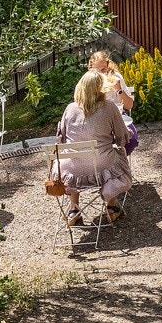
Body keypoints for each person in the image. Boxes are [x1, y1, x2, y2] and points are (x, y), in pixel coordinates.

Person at [50, 71, 133, 226]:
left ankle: (74, 209)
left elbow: (61, 137)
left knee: (74, 155)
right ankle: (111, 206)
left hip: (70, 168)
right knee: (117, 153)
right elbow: (122, 137)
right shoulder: (109, 107)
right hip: (100, 165)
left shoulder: (70, 108)